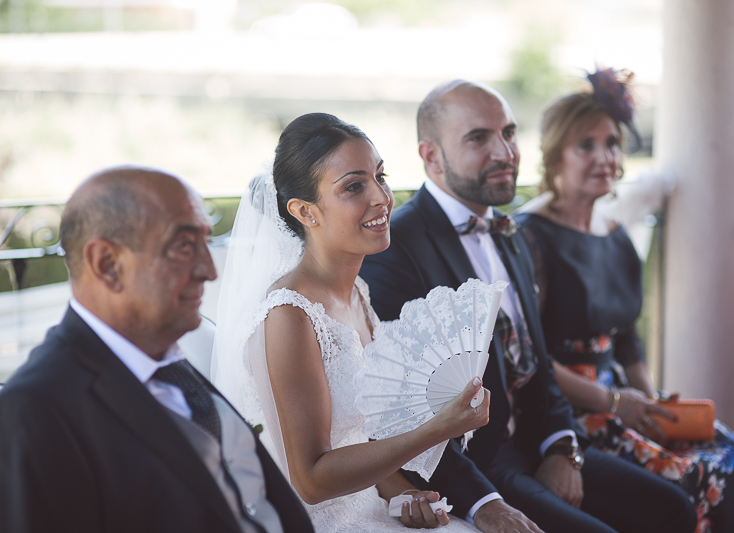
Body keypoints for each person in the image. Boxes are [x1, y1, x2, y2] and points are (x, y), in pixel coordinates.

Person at [360, 79, 697, 533]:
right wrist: (484, 503)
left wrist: (563, 449)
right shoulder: (398, 247)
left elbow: (537, 360)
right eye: (479, 138)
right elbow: (404, 413)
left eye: (510, 133)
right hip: (476, 464)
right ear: (431, 156)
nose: (505, 152)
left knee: (674, 508)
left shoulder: (510, 233)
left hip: (538, 440)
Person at [515, 72, 734, 533]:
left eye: (613, 144)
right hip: (564, 410)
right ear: (555, 155)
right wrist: (616, 402)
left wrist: (654, 403)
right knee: (697, 471)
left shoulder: (617, 235)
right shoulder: (529, 236)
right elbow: (528, 354)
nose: (606, 157)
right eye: (587, 145)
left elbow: (625, 340)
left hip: (621, 397)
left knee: (729, 447)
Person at [210, 112, 490, 533]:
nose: (381, 197)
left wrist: (402, 494)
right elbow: (311, 479)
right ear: (305, 211)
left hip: (371, 506)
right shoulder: (289, 315)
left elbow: (355, 440)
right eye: (354, 186)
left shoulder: (357, 290)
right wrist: (438, 428)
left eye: (381, 176)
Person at [0, 166, 314, 533]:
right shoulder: (36, 410)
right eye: (184, 246)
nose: (210, 271)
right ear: (107, 265)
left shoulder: (170, 360)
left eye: (205, 241)